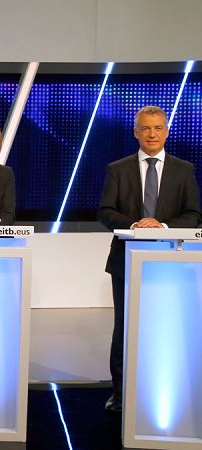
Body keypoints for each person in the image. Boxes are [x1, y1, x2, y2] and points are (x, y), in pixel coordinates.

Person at [98, 105, 201, 412]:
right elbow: (105, 212)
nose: (152, 134)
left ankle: (169, 388)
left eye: (157, 128)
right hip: (125, 261)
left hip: (172, 262)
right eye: (145, 128)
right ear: (135, 132)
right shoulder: (118, 169)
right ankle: (120, 392)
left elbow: (194, 215)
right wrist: (136, 225)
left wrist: (162, 226)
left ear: (166, 132)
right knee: (125, 327)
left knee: (166, 327)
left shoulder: (184, 170)